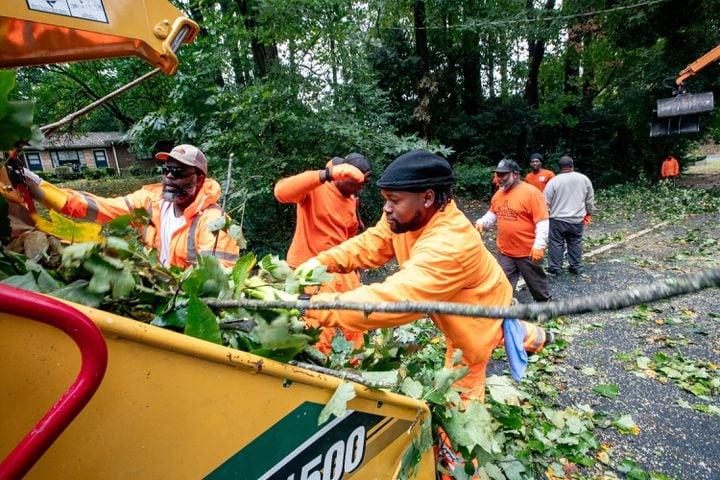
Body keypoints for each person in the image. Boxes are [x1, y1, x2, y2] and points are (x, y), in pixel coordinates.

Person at [297, 151, 552, 403]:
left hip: (476, 315)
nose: (386, 208)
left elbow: (395, 301)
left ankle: (455, 442)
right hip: (467, 295)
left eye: (393, 200)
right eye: (386, 199)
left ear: (428, 197)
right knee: (503, 329)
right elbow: (370, 243)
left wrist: (314, 306)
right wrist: (318, 264)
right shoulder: (406, 217)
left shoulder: (450, 244)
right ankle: (535, 335)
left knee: (459, 393)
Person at [23, 144, 240, 269]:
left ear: (199, 180)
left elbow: (215, 279)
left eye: (179, 172)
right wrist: (37, 187)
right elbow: (99, 207)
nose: (170, 177)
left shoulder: (214, 223)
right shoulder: (149, 201)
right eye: (167, 170)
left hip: (184, 300)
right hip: (159, 285)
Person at [274, 153, 372, 353]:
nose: (358, 189)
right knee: (315, 336)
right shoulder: (316, 188)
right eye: (355, 183)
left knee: (354, 334)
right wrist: (326, 174)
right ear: (342, 175)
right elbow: (281, 191)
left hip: (342, 278)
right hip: (310, 278)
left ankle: (353, 375)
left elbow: (349, 241)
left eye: (362, 184)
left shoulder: (352, 202)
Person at [475, 159, 551, 302]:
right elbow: (493, 213)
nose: (499, 178)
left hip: (528, 251)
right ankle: (504, 310)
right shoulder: (499, 193)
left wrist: (539, 245)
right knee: (502, 284)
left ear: (515, 175)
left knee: (537, 284)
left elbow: (542, 221)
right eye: (498, 174)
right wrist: (482, 223)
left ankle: (545, 306)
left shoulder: (531, 193)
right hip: (505, 251)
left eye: (503, 175)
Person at [543, 155, 594, 275]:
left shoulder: (554, 181)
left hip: (557, 219)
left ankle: (555, 267)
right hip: (576, 219)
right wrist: (589, 212)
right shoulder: (584, 179)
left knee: (556, 243)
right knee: (575, 242)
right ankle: (575, 266)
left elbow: (545, 201)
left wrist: (546, 216)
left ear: (559, 167)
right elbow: (589, 199)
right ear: (572, 166)